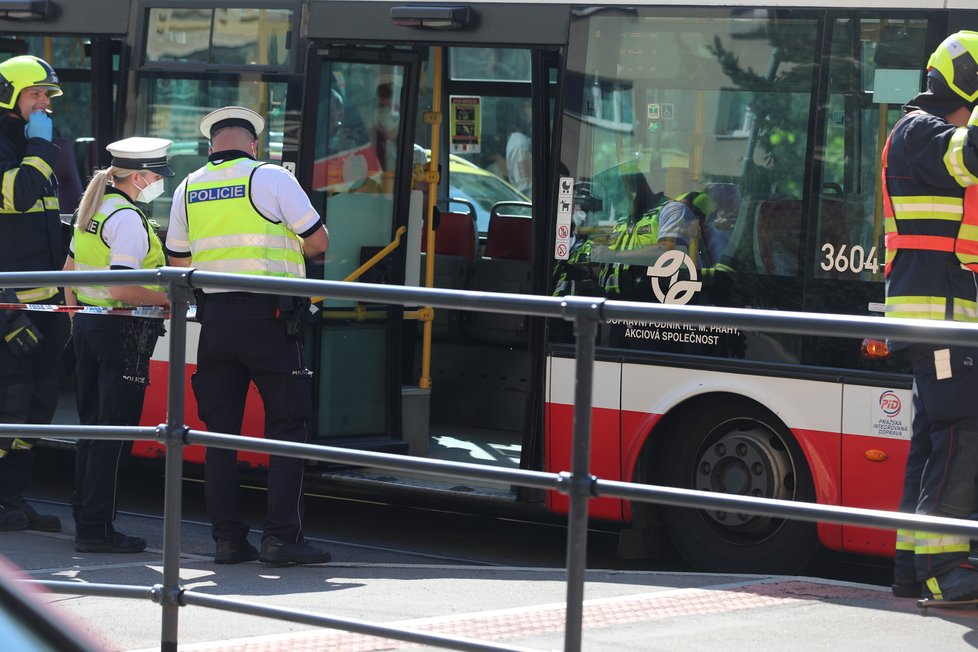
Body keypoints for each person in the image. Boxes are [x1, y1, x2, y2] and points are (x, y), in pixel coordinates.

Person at [165, 106, 331, 566]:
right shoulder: (271, 177)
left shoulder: (188, 187)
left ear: (212, 145)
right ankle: (281, 539)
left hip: (214, 321)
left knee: (220, 433)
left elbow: (178, 262)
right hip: (272, 319)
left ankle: (227, 540)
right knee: (286, 428)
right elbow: (319, 242)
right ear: (253, 143)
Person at [882, 30, 978, 602]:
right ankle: (944, 571)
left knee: (931, 440)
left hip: (940, 312)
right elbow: (969, 157)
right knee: (959, 434)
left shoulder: (919, 131)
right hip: (936, 316)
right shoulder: (920, 132)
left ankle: (909, 567)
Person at [62, 137, 172, 553]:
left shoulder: (92, 209)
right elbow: (123, 285)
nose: (159, 183)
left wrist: (79, 321)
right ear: (141, 176)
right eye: (157, 176)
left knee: (92, 428)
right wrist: (172, 298)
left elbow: (68, 274)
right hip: (121, 334)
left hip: (91, 328)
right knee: (115, 432)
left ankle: (84, 518)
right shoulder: (126, 218)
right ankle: (96, 529)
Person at [0, 55, 67, 533]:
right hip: (8, 306)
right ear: (10, 96)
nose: (45, 104)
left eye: (48, 95)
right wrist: (40, 147)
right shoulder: (24, 148)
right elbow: (18, 196)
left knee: (37, 408)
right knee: (8, 406)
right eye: (36, 94)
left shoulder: (33, 145)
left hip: (45, 302)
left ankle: (13, 499)